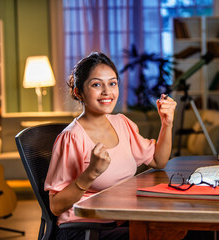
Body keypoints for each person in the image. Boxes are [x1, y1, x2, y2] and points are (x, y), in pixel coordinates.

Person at [44, 52, 177, 240]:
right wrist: (90, 173)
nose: (107, 91)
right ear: (78, 92)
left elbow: (158, 159)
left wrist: (167, 123)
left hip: (120, 220)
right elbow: (56, 206)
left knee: (188, 230)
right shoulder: (71, 137)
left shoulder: (122, 123)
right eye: (96, 84)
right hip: (84, 229)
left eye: (112, 83)